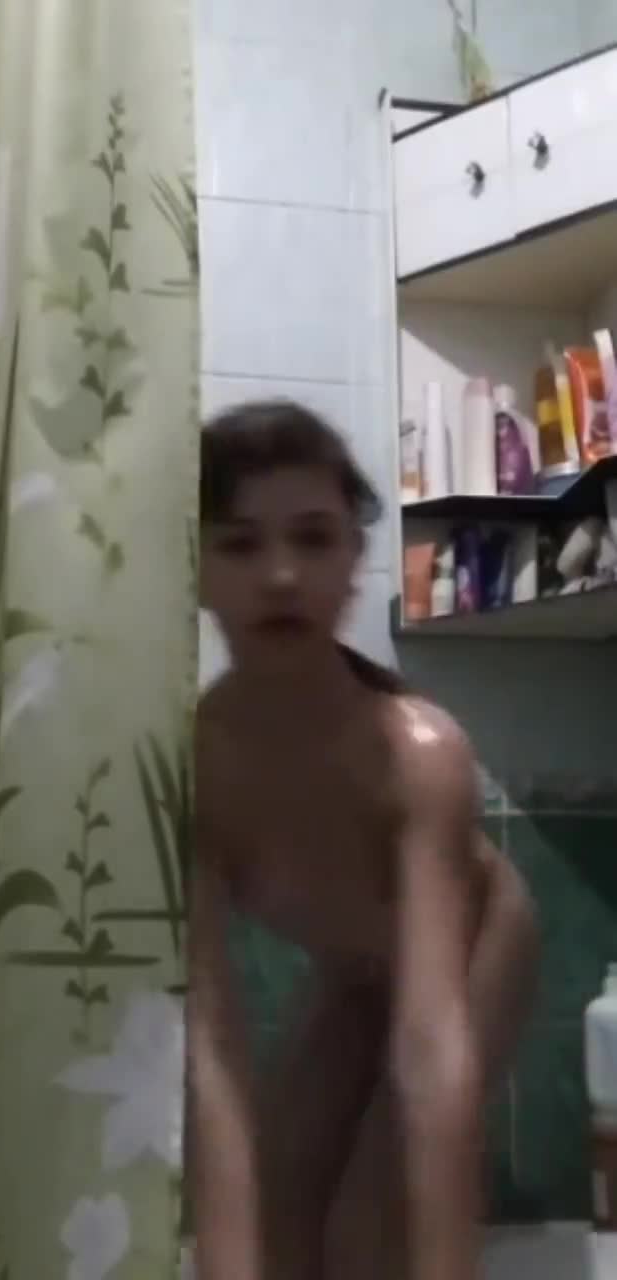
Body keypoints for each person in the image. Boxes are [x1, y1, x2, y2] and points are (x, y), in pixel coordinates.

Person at [188, 399, 539, 1280]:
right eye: (240, 544)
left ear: (353, 560)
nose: (280, 576)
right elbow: (211, 1050)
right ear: (193, 569)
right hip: (354, 971)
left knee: (367, 1238)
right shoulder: (195, 767)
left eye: (313, 539)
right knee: (273, 1227)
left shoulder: (416, 754)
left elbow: (431, 1050)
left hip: (480, 945)